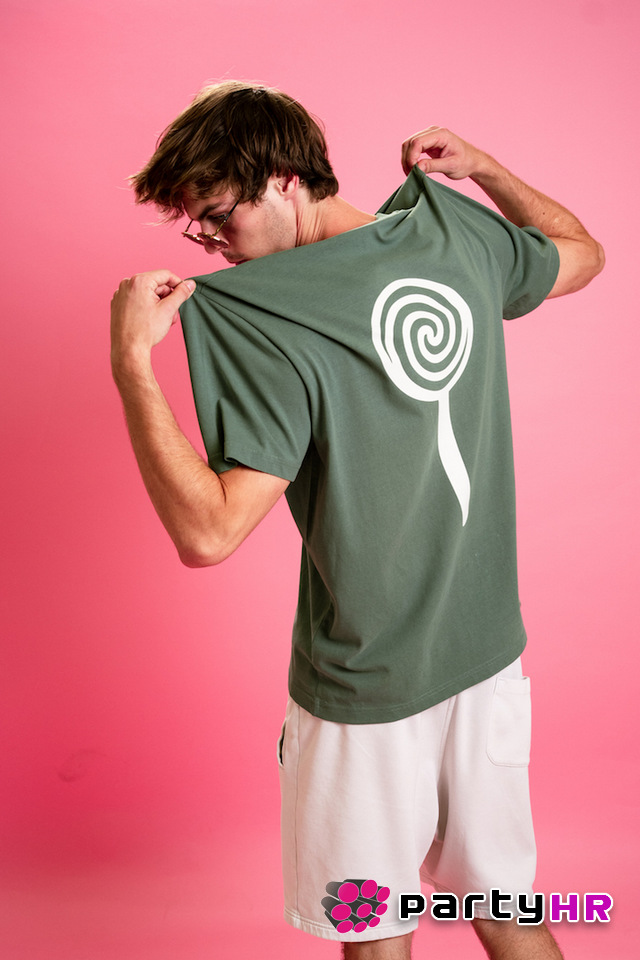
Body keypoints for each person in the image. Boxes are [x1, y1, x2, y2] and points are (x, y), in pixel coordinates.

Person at [110, 81, 604, 960]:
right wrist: (485, 171)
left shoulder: (266, 317)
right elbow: (582, 253)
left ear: (284, 178)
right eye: (198, 228)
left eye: (220, 214)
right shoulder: (450, 234)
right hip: (487, 655)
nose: (215, 243)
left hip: (367, 687)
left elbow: (208, 534)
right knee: (505, 909)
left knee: (374, 929)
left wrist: (131, 365)